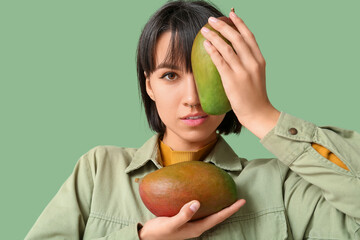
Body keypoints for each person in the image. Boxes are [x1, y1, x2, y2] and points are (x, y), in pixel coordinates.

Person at [26, 0, 360, 239]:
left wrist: (263, 116)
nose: (193, 98)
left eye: (208, 73)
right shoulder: (98, 171)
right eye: (170, 75)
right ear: (149, 85)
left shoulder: (281, 184)